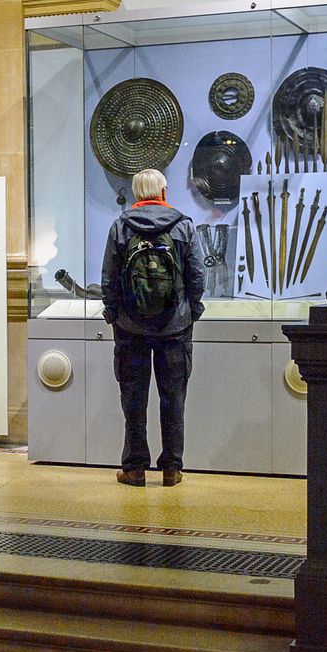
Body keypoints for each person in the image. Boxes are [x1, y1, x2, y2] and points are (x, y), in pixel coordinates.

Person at [101, 168, 205, 487]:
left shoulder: (121, 226)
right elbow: (198, 276)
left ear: (136, 193)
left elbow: (109, 278)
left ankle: (134, 468)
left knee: (133, 398)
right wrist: (192, 309)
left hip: (130, 328)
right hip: (174, 327)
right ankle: (172, 468)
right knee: (173, 397)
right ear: (163, 191)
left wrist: (114, 313)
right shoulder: (183, 225)